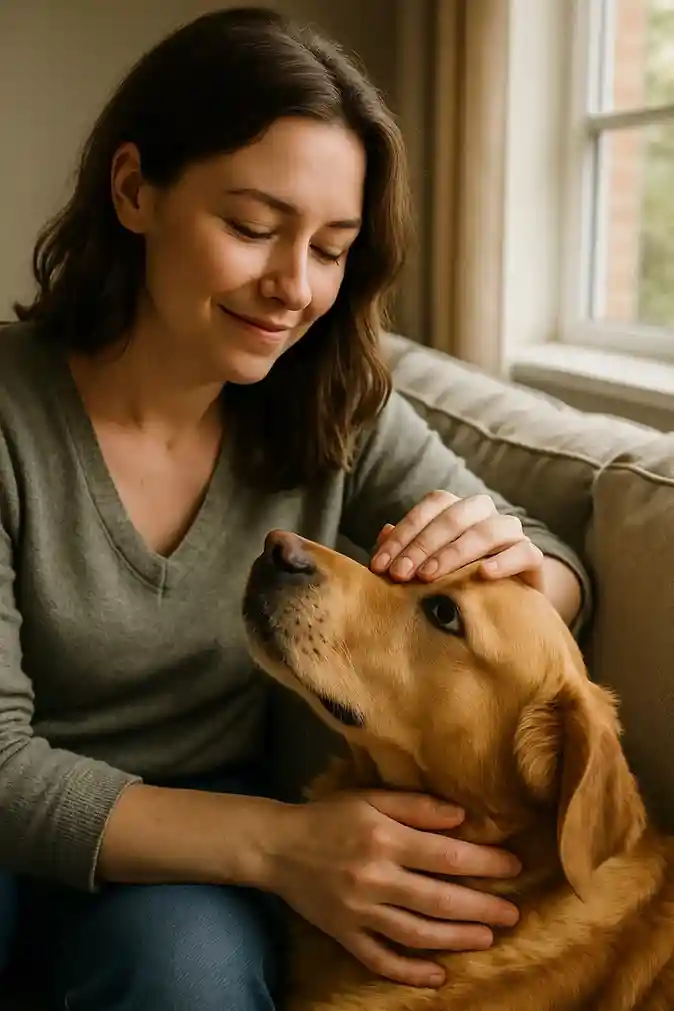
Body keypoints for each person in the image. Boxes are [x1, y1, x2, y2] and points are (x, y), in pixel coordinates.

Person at [0, 7, 589, 1009]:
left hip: (195, 842)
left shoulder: (332, 402)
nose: (294, 287)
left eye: (331, 247)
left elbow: (553, 561)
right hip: (73, 824)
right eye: (253, 228)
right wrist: (286, 846)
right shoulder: (12, 416)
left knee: (185, 976)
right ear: (135, 190)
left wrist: (524, 574)